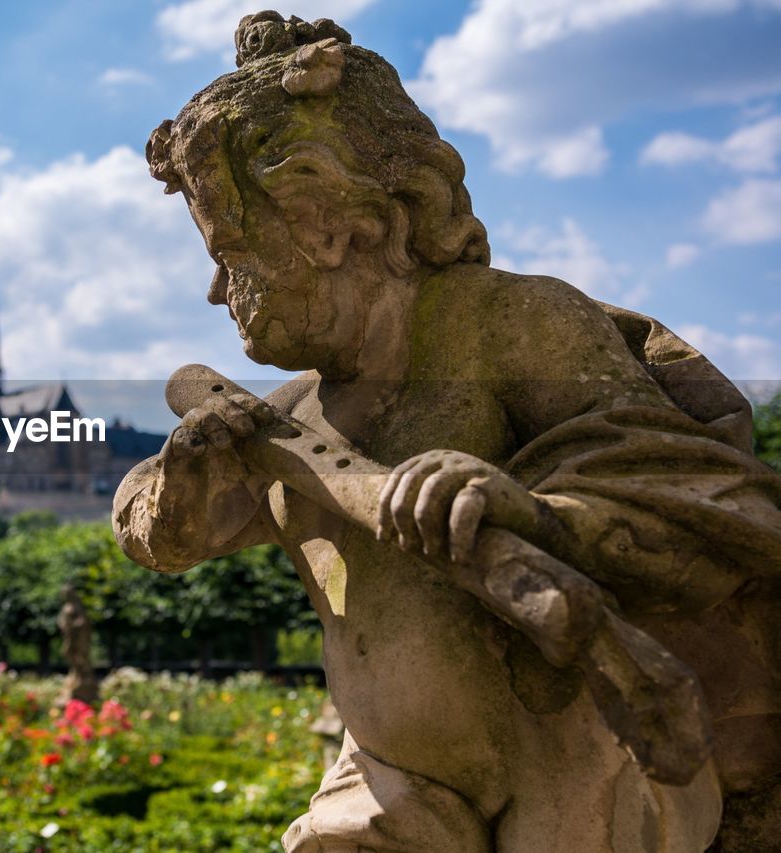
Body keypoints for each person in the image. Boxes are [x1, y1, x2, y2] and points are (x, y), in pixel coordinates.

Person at [116, 11, 781, 851]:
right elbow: (155, 533)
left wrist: (535, 511)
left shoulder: (506, 322)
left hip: (575, 759)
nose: (219, 292)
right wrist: (187, 477)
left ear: (323, 221)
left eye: (233, 255)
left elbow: (689, 489)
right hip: (390, 788)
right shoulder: (286, 416)